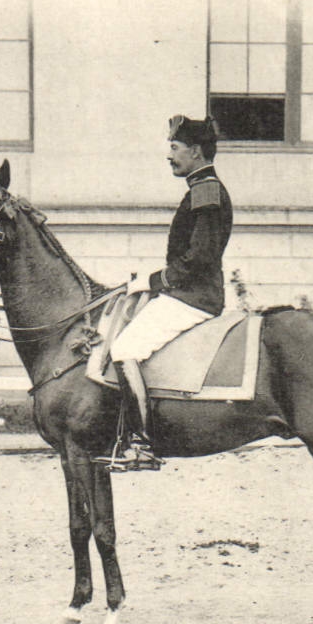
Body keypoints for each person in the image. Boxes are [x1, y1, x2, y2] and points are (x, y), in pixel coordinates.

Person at [100, 114, 232, 470]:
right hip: (188, 293)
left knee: (124, 348)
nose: (169, 155)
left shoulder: (205, 190)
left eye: (175, 148)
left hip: (194, 298)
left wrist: (153, 281)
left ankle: (141, 445)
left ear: (196, 151)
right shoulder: (199, 188)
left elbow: (200, 257)